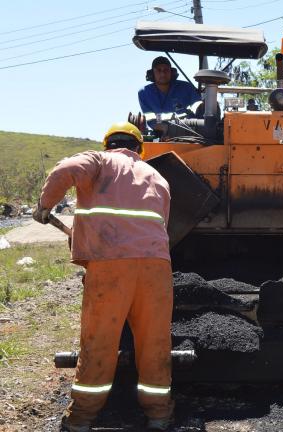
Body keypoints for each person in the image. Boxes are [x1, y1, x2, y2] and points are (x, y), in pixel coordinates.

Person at [33, 122, 174, 431]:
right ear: (140, 149)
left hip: (111, 267)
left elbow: (64, 170)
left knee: (99, 342)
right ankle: (159, 415)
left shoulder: (99, 161)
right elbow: (160, 223)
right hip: (156, 267)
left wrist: (45, 205)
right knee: (155, 343)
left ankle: (82, 419)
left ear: (108, 143)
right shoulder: (158, 178)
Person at [138, 56, 201, 126]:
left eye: (166, 70)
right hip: (162, 133)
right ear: (152, 73)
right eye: (159, 70)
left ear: (171, 72)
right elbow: (151, 120)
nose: (163, 74)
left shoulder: (187, 87)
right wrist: (164, 130)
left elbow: (198, 106)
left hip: (192, 130)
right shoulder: (144, 93)